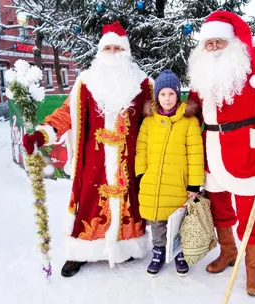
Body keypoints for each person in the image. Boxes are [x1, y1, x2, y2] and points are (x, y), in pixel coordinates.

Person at [22, 21, 154, 277]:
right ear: (100, 51)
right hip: (93, 161)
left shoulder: (142, 83)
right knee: (89, 204)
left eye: (118, 48)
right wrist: (42, 134)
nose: (114, 53)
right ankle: (81, 251)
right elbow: (65, 113)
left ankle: (126, 247)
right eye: (109, 48)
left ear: (126, 51)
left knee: (130, 205)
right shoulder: (86, 82)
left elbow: (154, 121)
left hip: (130, 161)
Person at [187, 11, 255, 296]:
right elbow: (192, 107)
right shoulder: (202, 70)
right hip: (211, 147)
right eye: (208, 44)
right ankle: (227, 251)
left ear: (231, 41)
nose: (212, 48)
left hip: (248, 148)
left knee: (251, 210)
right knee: (219, 206)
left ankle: (253, 266)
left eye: (218, 42)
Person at [135, 70, 204, 276]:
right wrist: (141, 174)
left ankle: (179, 252)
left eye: (171, 94)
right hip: (153, 182)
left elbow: (195, 154)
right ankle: (158, 251)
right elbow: (141, 149)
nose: (166, 98)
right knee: (157, 220)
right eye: (162, 94)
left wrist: (193, 184)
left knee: (178, 220)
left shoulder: (188, 122)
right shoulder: (149, 121)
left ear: (177, 95)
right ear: (157, 96)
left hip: (178, 183)